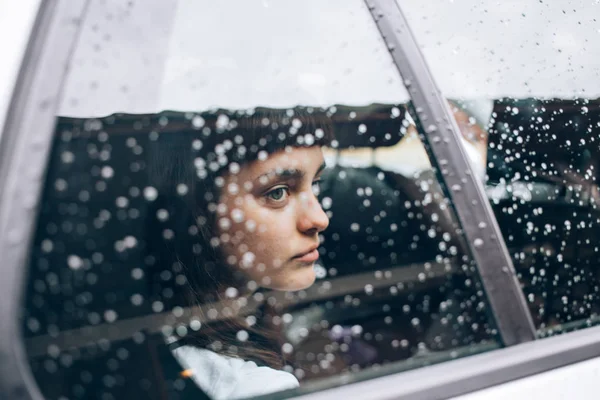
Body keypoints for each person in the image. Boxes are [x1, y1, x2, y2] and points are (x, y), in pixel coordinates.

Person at [145, 108, 332, 399]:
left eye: (315, 184)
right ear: (200, 210)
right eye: (278, 192)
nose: (319, 219)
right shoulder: (254, 388)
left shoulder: (161, 329)